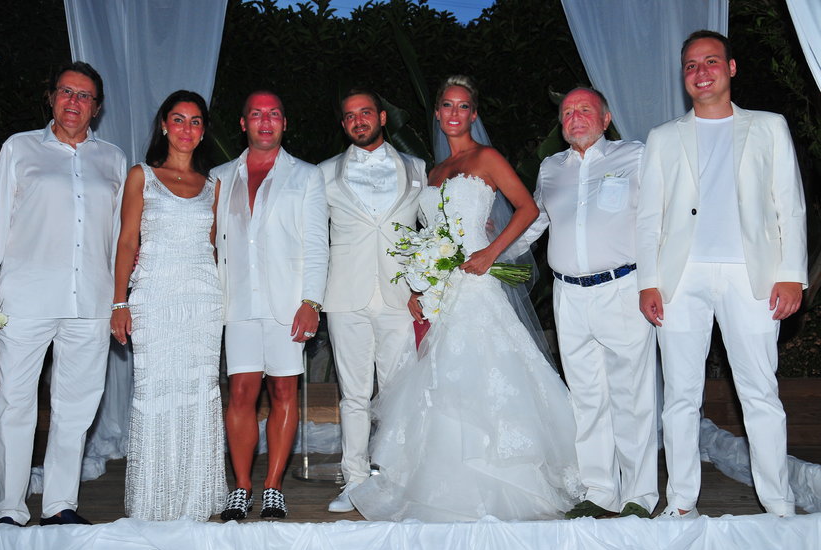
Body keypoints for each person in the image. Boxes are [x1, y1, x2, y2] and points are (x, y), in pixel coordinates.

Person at [349, 75, 582, 521]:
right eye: (447, 106)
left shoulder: (486, 158)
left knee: (484, 372)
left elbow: (528, 208)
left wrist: (491, 252)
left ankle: (502, 477)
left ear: (473, 114)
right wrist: (419, 285)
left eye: (462, 106)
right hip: (443, 291)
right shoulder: (434, 172)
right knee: (440, 380)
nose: (454, 113)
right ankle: (443, 479)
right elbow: (432, 236)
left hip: (477, 284)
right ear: (437, 114)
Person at [638, 30, 806, 518]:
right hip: (680, 279)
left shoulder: (768, 126)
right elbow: (649, 217)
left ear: (730, 68)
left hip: (752, 277)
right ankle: (681, 502)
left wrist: (791, 273)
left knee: (760, 393)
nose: (701, 72)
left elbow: (790, 204)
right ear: (683, 76)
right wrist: (648, 281)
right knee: (680, 398)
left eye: (711, 61)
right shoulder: (663, 137)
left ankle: (779, 505)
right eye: (691, 65)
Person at [0, 62, 126, 526]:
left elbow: (121, 235)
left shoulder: (113, 159)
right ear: (51, 97)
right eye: (66, 91)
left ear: (96, 108)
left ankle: (60, 504)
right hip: (26, 297)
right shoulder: (19, 147)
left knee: (77, 408)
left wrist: (121, 298)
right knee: (15, 402)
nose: (73, 101)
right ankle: (8, 506)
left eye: (84, 96)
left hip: (90, 301)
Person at [534, 87, 658, 519]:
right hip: (567, 294)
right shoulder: (550, 168)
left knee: (632, 396)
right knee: (586, 398)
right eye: (568, 111)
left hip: (622, 288)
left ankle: (640, 495)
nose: (575, 116)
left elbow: (658, 217)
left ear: (605, 119)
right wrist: (493, 253)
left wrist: (655, 281)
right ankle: (600, 491)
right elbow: (536, 222)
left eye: (585, 109)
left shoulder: (635, 155)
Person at [111, 90, 226, 521]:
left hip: (202, 302)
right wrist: (119, 302)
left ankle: (197, 499)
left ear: (203, 131)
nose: (186, 129)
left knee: (199, 391)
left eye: (195, 121)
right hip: (154, 297)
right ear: (163, 125)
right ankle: (153, 502)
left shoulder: (213, 186)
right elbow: (127, 241)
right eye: (178, 119)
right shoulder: (141, 175)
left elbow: (213, 248)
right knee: (155, 390)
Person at [214, 91, 328, 520]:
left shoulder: (307, 176)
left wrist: (311, 301)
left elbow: (317, 244)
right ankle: (241, 487)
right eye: (257, 114)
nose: (266, 121)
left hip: (288, 302)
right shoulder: (220, 176)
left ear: (284, 123)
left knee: (283, 390)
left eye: (274, 114)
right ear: (243, 123)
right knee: (241, 392)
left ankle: (274, 487)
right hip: (237, 300)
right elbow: (210, 242)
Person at [318, 88, 426, 513]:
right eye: (350, 116)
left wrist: (424, 285)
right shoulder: (324, 173)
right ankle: (355, 481)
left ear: (382, 117)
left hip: (400, 297)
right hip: (345, 295)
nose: (358, 120)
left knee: (399, 393)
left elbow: (432, 230)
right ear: (343, 124)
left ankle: (397, 479)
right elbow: (312, 238)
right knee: (354, 395)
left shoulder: (417, 168)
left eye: (365, 113)